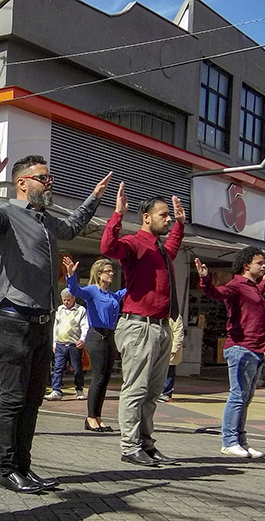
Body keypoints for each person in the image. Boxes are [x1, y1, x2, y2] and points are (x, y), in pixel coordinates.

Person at [0, 140, 112, 494]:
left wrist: (94, 197)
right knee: (13, 399)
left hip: (41, 323)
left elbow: (73, 226)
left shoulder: (47, 220)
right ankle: (7, 470)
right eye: (43, 178)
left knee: (33, 400)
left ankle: (24, 466)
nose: (49, 183)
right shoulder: (4, 214)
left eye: (49, 178)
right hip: (13, 320)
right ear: (23, 182)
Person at [100, 185, 185, 467]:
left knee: (152, 391)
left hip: (160, 327)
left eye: (170, 216)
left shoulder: (159, 249)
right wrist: (117, 215)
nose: (168, 219)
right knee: (136, 389)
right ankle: (129, 445)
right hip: (140, 327)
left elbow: (172, 248)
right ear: (147, 218)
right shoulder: (135, 243)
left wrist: (181, 226)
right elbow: (108, 248)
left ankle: (146, 444)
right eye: (164, 215)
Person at [194, 248, 265, 458]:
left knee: (245, 397)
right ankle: (229, 441)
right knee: (238, 396)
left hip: (254, 348)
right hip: (240, 348)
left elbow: (251, 304)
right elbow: (215, 294)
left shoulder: (253, 287)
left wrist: (263, 284)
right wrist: (205, 279)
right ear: (247, 265)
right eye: (259, 263)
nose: (263, 266)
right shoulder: (237, 284)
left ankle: (241, 441)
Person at [63, 256, 125, 431]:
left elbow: (127, 292)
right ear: (99, 274)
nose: (112, 274)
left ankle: (98, 416)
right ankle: (90, 417)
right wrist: (71, 275)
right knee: (98, 378)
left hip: (110, 336)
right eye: (108, 271)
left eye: (112, 271)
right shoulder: (92, 291)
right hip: (96, 335)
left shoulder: (111, 295)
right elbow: (75, 290)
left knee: (105, 379)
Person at [44, 288, 89, 402]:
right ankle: (56, 390)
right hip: (60, 344)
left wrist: (82, 339)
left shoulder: (81, 310)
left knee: (77, 369)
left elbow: (85, 326)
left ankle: (79, 389)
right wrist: (54, 342)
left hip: (74, 344)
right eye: (64, 300)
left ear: (73, 298)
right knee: (57, 368)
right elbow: (56, 326)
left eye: (68, 300)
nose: (65, 302)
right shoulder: (59, 309)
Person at [158, 316, 184, 403]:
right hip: (161, 348)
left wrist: (175, 349)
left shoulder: (175, 317)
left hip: (170, 348)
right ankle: (158, 392)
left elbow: (179, 333)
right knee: (159, 371)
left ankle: (166, 393)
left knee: (169, 372)